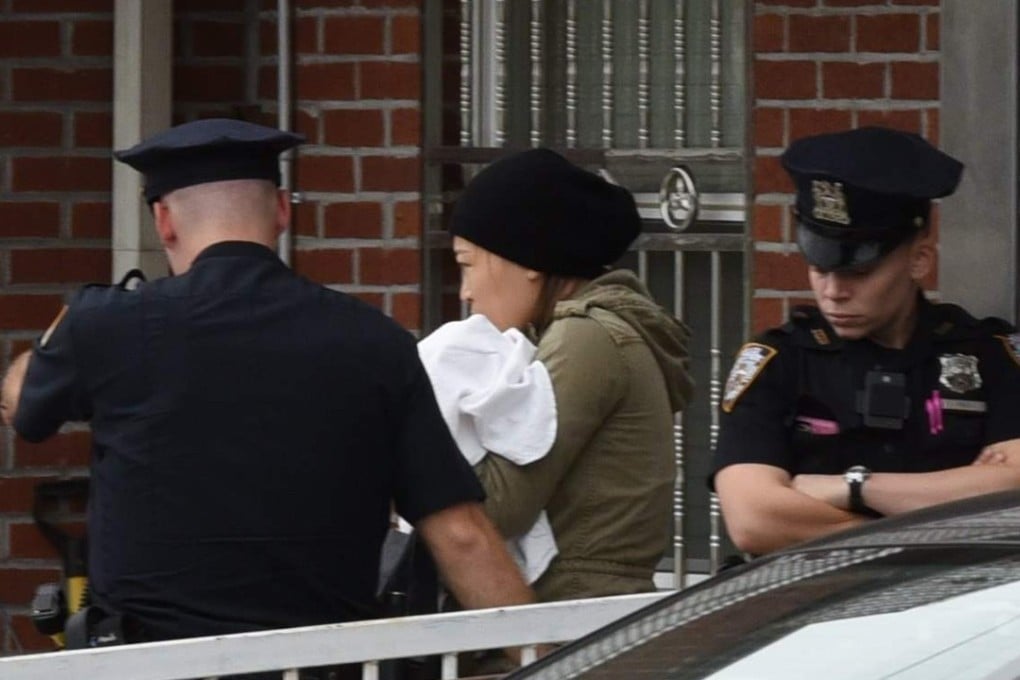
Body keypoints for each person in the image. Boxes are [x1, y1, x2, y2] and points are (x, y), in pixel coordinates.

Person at [4, 119, 534, 661]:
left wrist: (64, 333)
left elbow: (24, 409)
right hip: (318, 669)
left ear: (163, 221)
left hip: (151, 668)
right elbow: (461, 534)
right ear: (282, 209)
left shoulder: (107, 325)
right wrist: (549, 662)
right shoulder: (374, 341)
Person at [711, 126, 1020, 557]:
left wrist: (854, 487)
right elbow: (754, 520)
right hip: (808, 611)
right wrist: (932, 526)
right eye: (820, 268)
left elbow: (1011, 495)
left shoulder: (986, 355)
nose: (833, 291)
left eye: (858, 272)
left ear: (919, 260)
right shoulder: (780, 361)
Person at [447, 148, 695, 602]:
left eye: (467, 264)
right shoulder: (576, 333)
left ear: (527, 261)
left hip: (572, 622)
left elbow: (499, 506)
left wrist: (403, 441)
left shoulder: (587, 339)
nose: (465, 293)